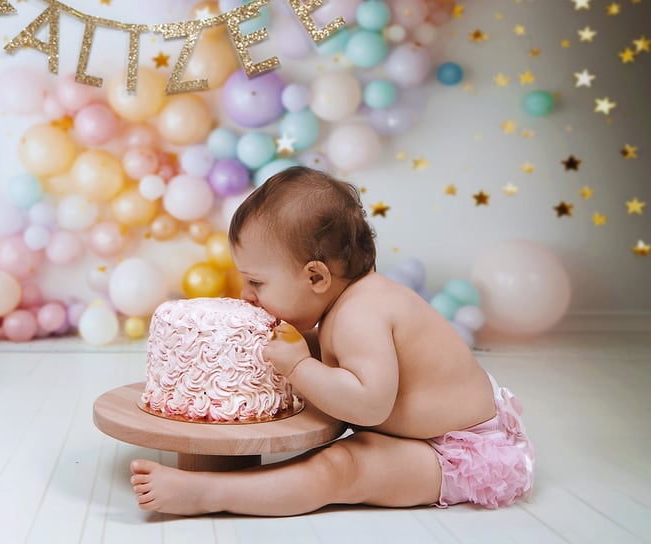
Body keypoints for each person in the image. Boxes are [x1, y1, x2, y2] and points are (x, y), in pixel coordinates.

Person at [129, 166, 534, 516]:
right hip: (420, 435)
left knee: (339, 471)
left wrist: (299, 365)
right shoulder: (345, 304)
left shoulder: (361, 314)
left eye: (256, 281)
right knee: (339, 460)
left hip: (460, 450)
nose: (246, 295)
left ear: (316, 277)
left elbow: (370, 406)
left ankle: (208, 495)